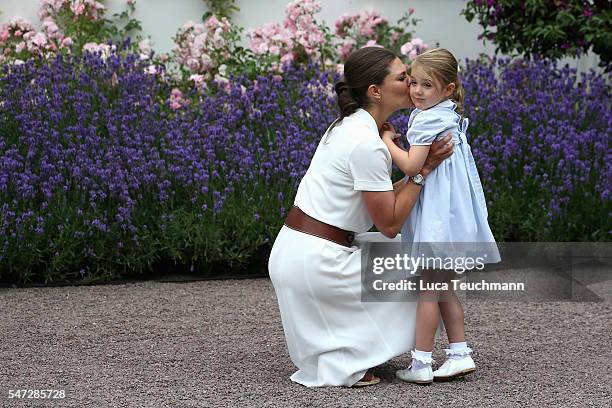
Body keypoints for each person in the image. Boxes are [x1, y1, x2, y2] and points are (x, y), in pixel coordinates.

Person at [268, 46, 453, 388]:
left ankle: (350, 351)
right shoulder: (366, 144)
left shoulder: (348, 127)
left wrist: (417, 172)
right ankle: (349, 358)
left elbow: (382, 200)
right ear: (375, 91)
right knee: (429, 261)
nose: (412, 82)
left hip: (298, 251)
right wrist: (422, 171)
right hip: (317, 262)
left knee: (414, 253)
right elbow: (390, 223)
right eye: (402, 77)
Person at [380, 48, 500, 384]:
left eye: (426, 85)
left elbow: (412, 166)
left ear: (448, 89)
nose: (416, 91)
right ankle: (459, 354)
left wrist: (387, 141)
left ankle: (420, 363)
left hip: (438, 219)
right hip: (450, 214)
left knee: (428, 290)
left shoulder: (430, 118)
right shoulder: (446, 113)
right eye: (413, 82)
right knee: (445, 287)